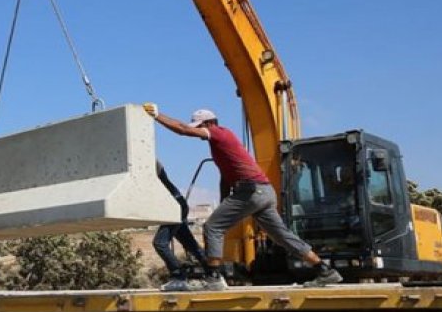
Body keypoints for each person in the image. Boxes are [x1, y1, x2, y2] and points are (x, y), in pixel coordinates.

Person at [143, 104, 343, 290]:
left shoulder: (219, 133)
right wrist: (223, 203)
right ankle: (324, 270)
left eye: (200, 126)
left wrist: (157, 115)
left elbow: (183, 129)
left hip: (250, 191)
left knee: (212, 227)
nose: (199, 130)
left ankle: (213, 278)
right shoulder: (222, 149)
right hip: (264, 192)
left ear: (210, 123)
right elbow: (225, 178)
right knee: (281, 235)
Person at [154, 161, 207, 291]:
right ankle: (214, 273)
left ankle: (178, 276)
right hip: (178, 203)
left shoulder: (148, 162)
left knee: (160, 243)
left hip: (174, 206)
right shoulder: (153, 163)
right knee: (190, 244)